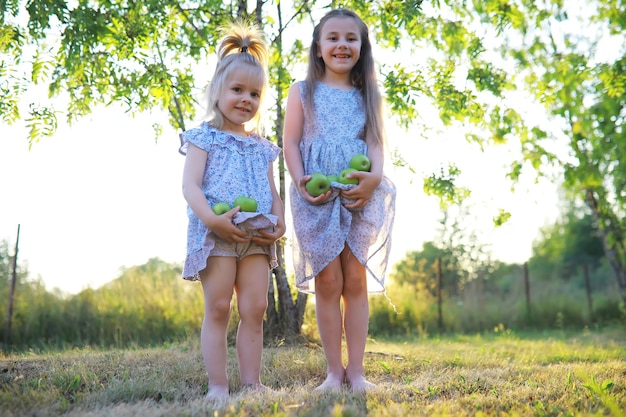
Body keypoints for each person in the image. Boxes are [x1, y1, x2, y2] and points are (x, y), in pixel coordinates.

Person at [283, 9, 396, 392]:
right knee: (328, 281)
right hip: (316, 194)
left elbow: (377, 144)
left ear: (362, 47)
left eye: (351, 38)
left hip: (358, 191)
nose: (342, 45)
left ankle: (357, 372)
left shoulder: (369, 95)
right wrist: (300, 181)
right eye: (332, 38)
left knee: (355, 280)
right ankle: (334, 372)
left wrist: (373, 178)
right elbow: (291, 142)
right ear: (318, 48)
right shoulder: (301, 91)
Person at [180, 21, 285, 401]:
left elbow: (272, 192)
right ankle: (218, 386)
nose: (246, 99)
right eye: (237, 90)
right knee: (220, 307)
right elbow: (190, 186)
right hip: (216, 234)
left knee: (255, 306)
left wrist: (281, 221)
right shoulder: (202, 137)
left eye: (254, 93)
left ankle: (253, 384)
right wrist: (211, 220)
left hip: (256, 236)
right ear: (218, 92)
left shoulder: (262, 147)